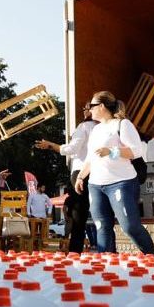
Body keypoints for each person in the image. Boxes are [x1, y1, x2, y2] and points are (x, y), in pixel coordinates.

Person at [75, 91, 154, 254]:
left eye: (91, 106)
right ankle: (107, 267)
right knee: (101, 227)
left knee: (130, 227)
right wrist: (81, 176)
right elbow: (91, 157)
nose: (89, 109)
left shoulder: (122, 124)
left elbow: (136, 151)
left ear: (102, 106)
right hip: (96, 185)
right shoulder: (96, 130)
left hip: (122, 182)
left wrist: (111, 151)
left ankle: (153, 259)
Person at [36, 106, 97, 252]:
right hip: (99, 172)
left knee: (78, 215)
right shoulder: (102, 128)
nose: (84, 110)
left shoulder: (84, 127)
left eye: (88, 107)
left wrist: (51, 145)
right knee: (101, 214)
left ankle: (75, 250)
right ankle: (106, 249)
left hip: (82, 171)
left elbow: (71, 149)